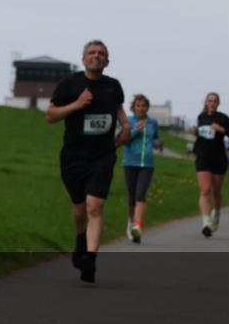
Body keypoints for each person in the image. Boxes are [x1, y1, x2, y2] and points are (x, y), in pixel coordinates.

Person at [47, 40, 131, 283]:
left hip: (103, 155)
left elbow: (119, 111)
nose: (97, 56)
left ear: (107, 61)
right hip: (73, 157)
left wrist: (125, 126)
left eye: (102, 53)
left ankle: (90, 258)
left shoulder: (113, 86)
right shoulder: (70, 84)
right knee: (79, 209)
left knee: (95, 205)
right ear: (83, 59)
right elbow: (50, 115)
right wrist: (77, 104)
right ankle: (81, 238)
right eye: (92, 53)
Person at [190, 93, 229, 237]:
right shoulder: (201, 117)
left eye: (215, 101)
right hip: (203, 156)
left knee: (216, 192)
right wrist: (195, 132)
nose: (212, 103)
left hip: (218, 158)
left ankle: (216, 213)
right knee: (205, 190)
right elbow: (201, 134)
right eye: (210, 100)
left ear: (218, 103)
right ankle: (206, 222)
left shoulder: (223, 118)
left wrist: (221, 129)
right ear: (206, 102)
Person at [121, 94, 160, 243]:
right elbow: (123, 139)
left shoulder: (153, 122)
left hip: (147, 164)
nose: (141, 108)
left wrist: (158, 143)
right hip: (130, 162)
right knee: (131, 197)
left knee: (140, 195)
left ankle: (138, 227)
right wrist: (136, 130)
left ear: (147, 107)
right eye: (138, 105)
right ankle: (131, 222)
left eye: (143, 106)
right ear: (133, 107)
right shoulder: (128, 121)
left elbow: (156, 137)